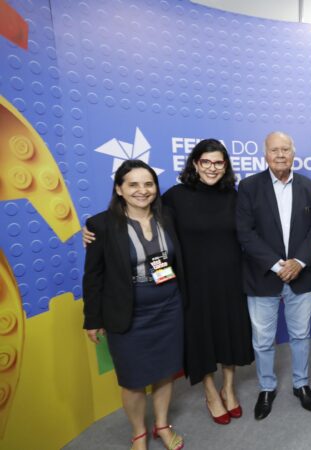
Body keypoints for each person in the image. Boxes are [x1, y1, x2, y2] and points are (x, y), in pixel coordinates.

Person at [85, 140, 255, 426]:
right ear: (195, 164)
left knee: (231, 334)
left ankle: (228, 386)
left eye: (219, 162)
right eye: (206, 162)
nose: (212, 168)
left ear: (225, 166)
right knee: (201, 338)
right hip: (192, 282)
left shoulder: (234, 196)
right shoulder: (175, 197)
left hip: (230, 279)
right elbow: (137, 214)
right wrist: (90, 231)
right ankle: (211, 392)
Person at [83, 160, 185, 450]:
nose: (142, 190)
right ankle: (139, 432)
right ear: (119, 189)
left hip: (169, 307)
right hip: (127, 313)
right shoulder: (100, 225)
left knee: (166, 371)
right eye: (133, 184)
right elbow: (93, 276)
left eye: (148, 184)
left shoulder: (169, 217)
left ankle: (162, 424)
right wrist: (92, 318)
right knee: (132, 379)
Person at [236, 131, 311, 419]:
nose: (281, 154)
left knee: (300, 335)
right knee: (262, 340)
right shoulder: (248, 187)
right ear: (265, 155)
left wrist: (298, 262)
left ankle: (301, 384)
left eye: (285, 149)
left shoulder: (310, 187)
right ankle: (266, 387)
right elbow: (245, 233)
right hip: (263, 276)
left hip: (301, 275)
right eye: (275, 150)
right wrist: (277, 265)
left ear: (293, 153)